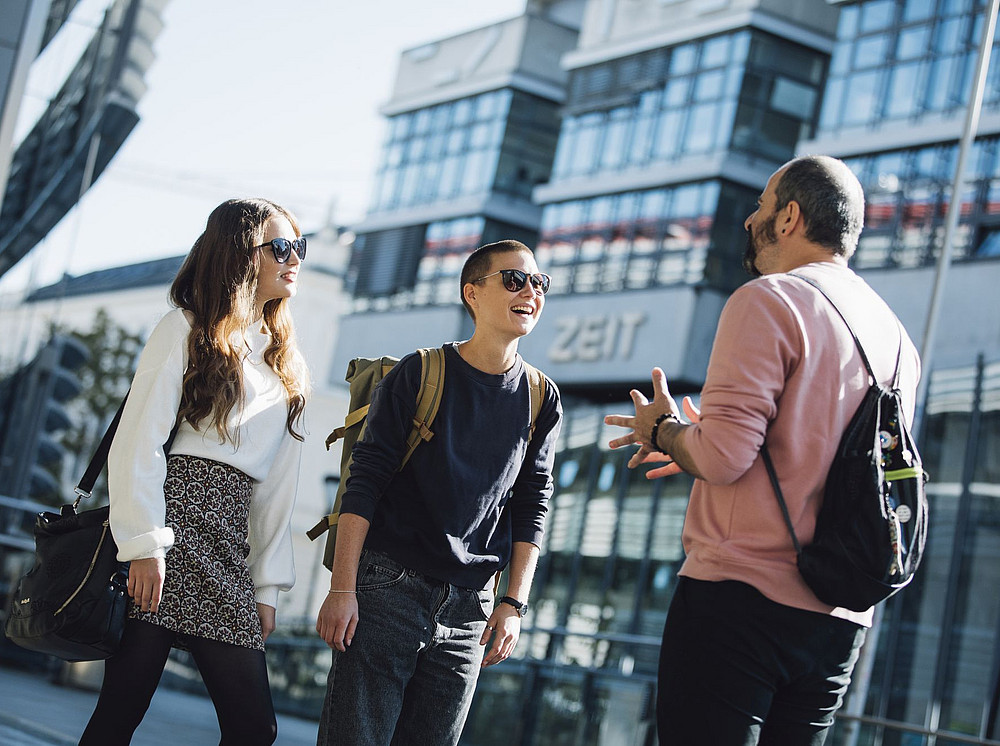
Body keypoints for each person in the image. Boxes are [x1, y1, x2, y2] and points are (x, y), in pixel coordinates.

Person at [605, 155, 920, 745]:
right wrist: (701, 442)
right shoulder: (896, 335)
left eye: (761, 205)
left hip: (740, 600)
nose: (750, 219)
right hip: (840, 616)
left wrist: (664, 429)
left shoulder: (768, 299)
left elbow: (725, 458)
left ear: (789, 218)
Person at [79, 198, 310, 746]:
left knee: (255, 728)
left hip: (227, 545)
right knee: (120, 710)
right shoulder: (183, 328)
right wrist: (144, 545)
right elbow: (140, 440)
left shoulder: (283, 361)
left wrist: (267, 586)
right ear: (241, 253)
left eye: (299, 247)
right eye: (280, 247)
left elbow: (278, 488)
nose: (294, 257)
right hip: (168, 529)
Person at [315, 239, 563, 746]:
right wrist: (343, 589)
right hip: (387, 590)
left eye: (539, 283)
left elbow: (532, 505)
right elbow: (365, 482)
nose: (530, 292)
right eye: (514, 280)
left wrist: (513, 603)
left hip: (469, 610)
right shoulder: (421, 372)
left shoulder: (542, 397)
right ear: (472, 293)